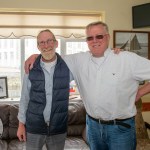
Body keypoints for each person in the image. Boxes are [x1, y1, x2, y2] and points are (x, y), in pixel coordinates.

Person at [24, 21, 150, 150]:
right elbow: (50, 57)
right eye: (90, 38)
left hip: (120, 129)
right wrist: (35, 56)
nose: (94, 41)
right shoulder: (78, 60)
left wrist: (140, 92)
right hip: (93, 128)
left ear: (108, 37)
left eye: (99, 36)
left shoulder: (126, 59)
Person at [17, 29, 71, 150]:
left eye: (49, 41)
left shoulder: (68, 67)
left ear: (56, 43)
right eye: (42, 42)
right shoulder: (30, 68)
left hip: (58, 128)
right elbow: (24, 98)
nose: (46, 45)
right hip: (34, 127)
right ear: (38, 46)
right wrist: (21, 124)